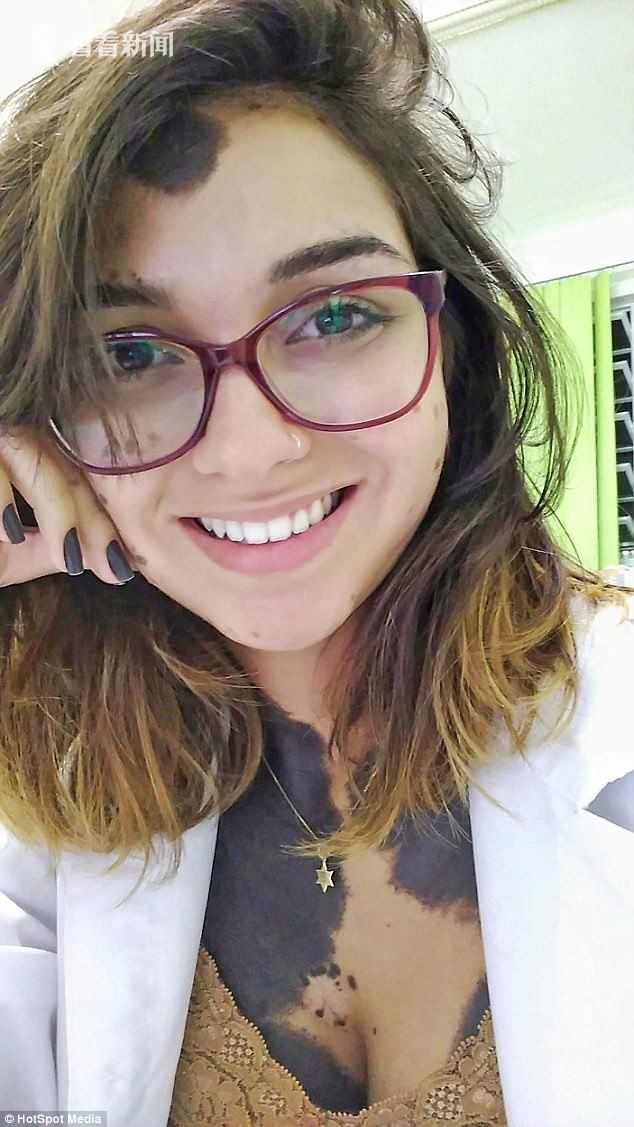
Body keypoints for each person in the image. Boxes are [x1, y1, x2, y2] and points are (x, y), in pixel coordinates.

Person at [0, 0, 632, 1124]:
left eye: (335, 315)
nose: (252, 450)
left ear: (451, 341)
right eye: (128, 353)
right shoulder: (38, 792)